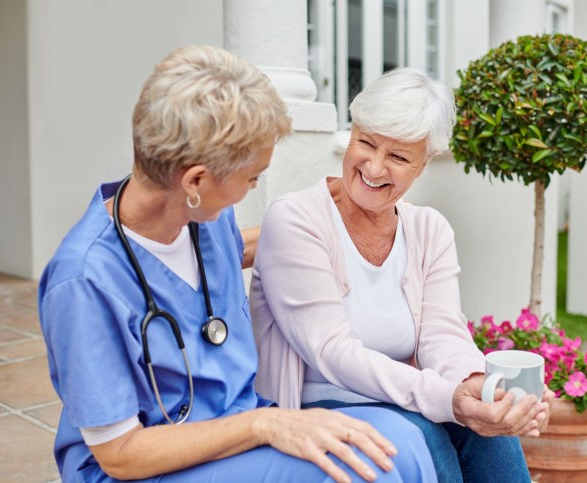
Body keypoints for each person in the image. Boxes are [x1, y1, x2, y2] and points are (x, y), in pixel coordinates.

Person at [39, 45, 437, 483]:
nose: (252, 188)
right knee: (356, 472)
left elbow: (236, 254)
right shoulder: (83, 281)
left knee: (401, 443)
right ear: (195, 180)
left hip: (233, 427)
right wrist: (265, 425)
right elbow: (121, 453)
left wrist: (332, 230)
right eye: (251, 178)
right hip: (148, 464)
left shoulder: (204, 218)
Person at [249, 67, 556, 483]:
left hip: (409, 398)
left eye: (397, 157)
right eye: (366, 143)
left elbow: (443, 334)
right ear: (351, 131)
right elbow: (332, 352)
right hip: (319, 408)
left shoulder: (430, 230)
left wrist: (483, 390)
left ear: (424, 163)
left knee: (491, 434)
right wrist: (446, 398)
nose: (374, 168)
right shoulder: (296, 219)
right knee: (424, 434)